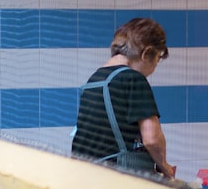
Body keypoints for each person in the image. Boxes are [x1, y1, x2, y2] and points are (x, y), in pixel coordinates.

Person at [71, 17, 176, 178]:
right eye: (156, 60)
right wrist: (164, 166)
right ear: (146, 53)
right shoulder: (133, 79)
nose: (154, 68)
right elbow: (152, 139)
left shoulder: (93, 80)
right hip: (117, 178)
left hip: (85, 176)